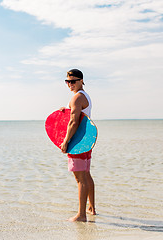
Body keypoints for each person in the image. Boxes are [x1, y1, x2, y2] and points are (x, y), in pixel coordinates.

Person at [59, 69, 96, 222]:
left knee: (80, 178)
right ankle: (91, 208)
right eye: (67, 81)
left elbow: (73, 122)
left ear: (81, 80)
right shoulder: (84, 96)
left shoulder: (77, 98)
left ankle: (81, 215)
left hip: (77, 142)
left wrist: (66, 141)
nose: (70, 84)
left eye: (73, 81)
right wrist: (65, 109)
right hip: (86, 141)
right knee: (86, 174)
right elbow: (76, 114)